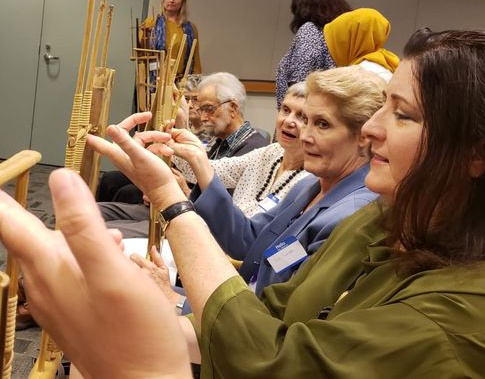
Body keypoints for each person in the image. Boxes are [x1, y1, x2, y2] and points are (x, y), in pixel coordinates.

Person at [0, 29, 485, 377]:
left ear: (476, 154)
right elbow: (270, 311)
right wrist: (164, 309)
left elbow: (271, 353)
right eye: (380, 108)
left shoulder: (472, 320)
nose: (374, 132)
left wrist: (138, 352)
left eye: (402, 115)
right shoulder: (383, 220)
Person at [134, 67, 383, 315]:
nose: (305, 135)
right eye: (306, 120)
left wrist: (177, 300)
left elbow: (277, 317)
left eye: (322, 124)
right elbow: (248, 240)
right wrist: (199, 162)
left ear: (364, 136)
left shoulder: (351, 215)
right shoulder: (310, 186)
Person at [99, 72, 268, 237]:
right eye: (200, 109)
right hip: (180, 208)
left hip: (196, 222)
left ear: (233, 108)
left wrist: (183, 190)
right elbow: (198, 173)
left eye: (208, 109)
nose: (202, 117)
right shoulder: (220, 142)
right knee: (98, 211)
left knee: (105, 229)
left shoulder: (255, 150)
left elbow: (226, 211)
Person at [172, 81, 310, 218]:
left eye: (301, 116)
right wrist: (177, 129)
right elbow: (206, 169)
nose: (288, 121)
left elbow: (226, 214)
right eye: (285, 110)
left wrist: (185, 191)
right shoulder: (269, 152)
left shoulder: (312, 180)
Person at [275, 0, 351, 107]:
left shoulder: (310, 30)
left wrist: (290, 114)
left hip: (299, 116)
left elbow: (299, 82)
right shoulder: (339, 35)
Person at [140, 0, 202, 81]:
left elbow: (195, 62)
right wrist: (145, 35)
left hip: (179, 84)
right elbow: (141, 54)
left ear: (183, 1)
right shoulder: (151, 23)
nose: (171, 0)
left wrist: (195, 85)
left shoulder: (191, 29)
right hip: (153, 82)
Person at [324, 7, 399, 80]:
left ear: (355, 40)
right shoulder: (385, 63)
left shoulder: (362, 74)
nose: (334, 49)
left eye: (341, 40)